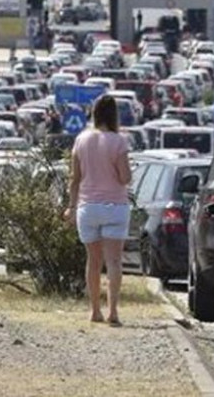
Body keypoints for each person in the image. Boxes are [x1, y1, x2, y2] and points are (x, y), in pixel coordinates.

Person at [63, 95, 132, 325]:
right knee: (113, 261)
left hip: (87, 207)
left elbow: (74, 178)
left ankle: (94, 311)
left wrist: (71, 207)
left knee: (93, 261)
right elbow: (125, 178)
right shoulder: (118, 141)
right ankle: (113, 311)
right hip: (115, 207)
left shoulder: (81, 140)